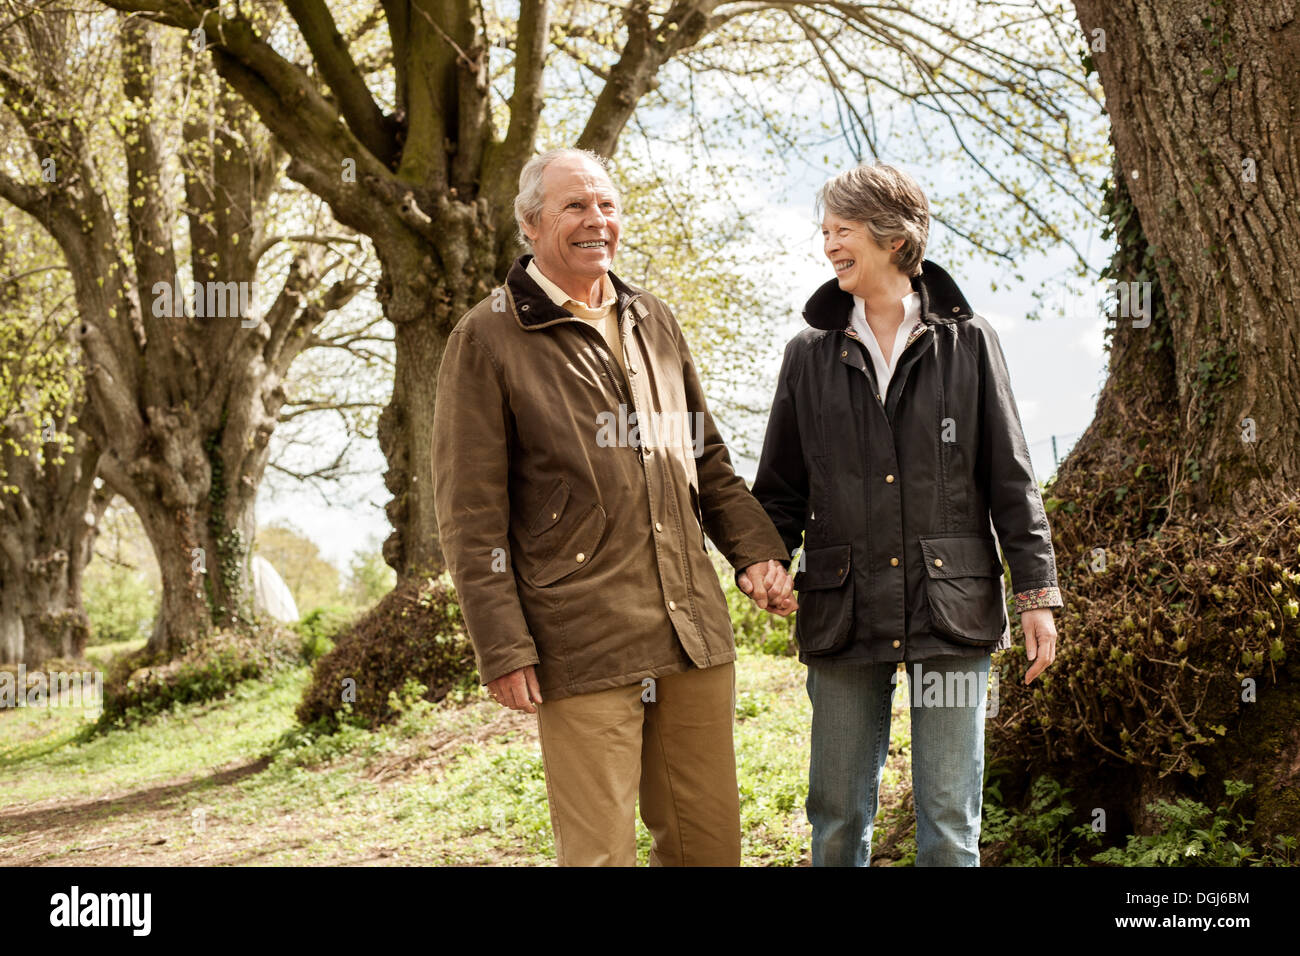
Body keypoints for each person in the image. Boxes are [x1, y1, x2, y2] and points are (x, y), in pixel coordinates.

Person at [432, 147, 795, 866]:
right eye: (575, 206)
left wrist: (756, 551)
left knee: (709, 844)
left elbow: (706, 458)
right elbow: (470, 515)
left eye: (606, 206)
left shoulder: (652, 320)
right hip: (583, 642)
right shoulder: (489, 336)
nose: (597, 220)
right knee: (598, 854)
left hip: (691, 631)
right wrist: (503, 646)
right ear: (532, 224)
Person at [750, 161, 1063, 867]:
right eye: (824, 231)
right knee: (835, 815)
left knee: (950, 818)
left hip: (950, 607)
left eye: (844, 229)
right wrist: (766, 560)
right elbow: (779, 488)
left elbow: (1011, 479)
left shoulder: (971, 341)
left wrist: (1038, 596)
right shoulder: (808, 354)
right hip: (843, 608)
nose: (829, 244)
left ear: (894, 238)